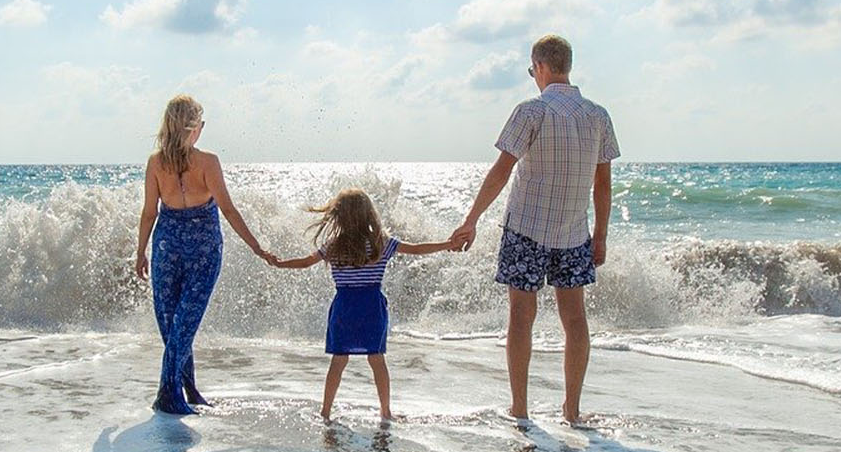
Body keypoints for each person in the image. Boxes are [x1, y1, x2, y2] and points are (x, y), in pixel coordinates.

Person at [448, 34, 619, 425]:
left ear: (540, 66)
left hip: (526, 229)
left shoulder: (531, 111)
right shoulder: (598, 115)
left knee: (521, 318)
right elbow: (603, 185)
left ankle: (520, 408)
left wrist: (471, 219)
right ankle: (571, 410)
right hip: (575, 233)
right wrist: (602, 235)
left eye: (532, 70)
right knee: (574, 320)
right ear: (567, 66)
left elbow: (501, 171)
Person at [267, 189, 459, 422]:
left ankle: (326, 412)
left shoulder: (333, 246)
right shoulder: (381, 244)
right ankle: (385, 411)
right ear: (369, 215)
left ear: (339, 216)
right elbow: (417, 249)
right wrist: (448, 244)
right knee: (377, 360)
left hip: (344, 308)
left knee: (338, 360)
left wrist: (279, 264)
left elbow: (306, 262)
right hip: (371, 308)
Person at [135, 94, 273, 415]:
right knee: (180, 325)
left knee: (176, 324)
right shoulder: (207, 162)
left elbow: (148, 213)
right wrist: (256, 246)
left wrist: (141, 251)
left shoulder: (157, 162)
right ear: (196, 127)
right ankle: (174, 392)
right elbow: (227, 208)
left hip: (167, 246)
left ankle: (182, 391)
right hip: (202, 248)